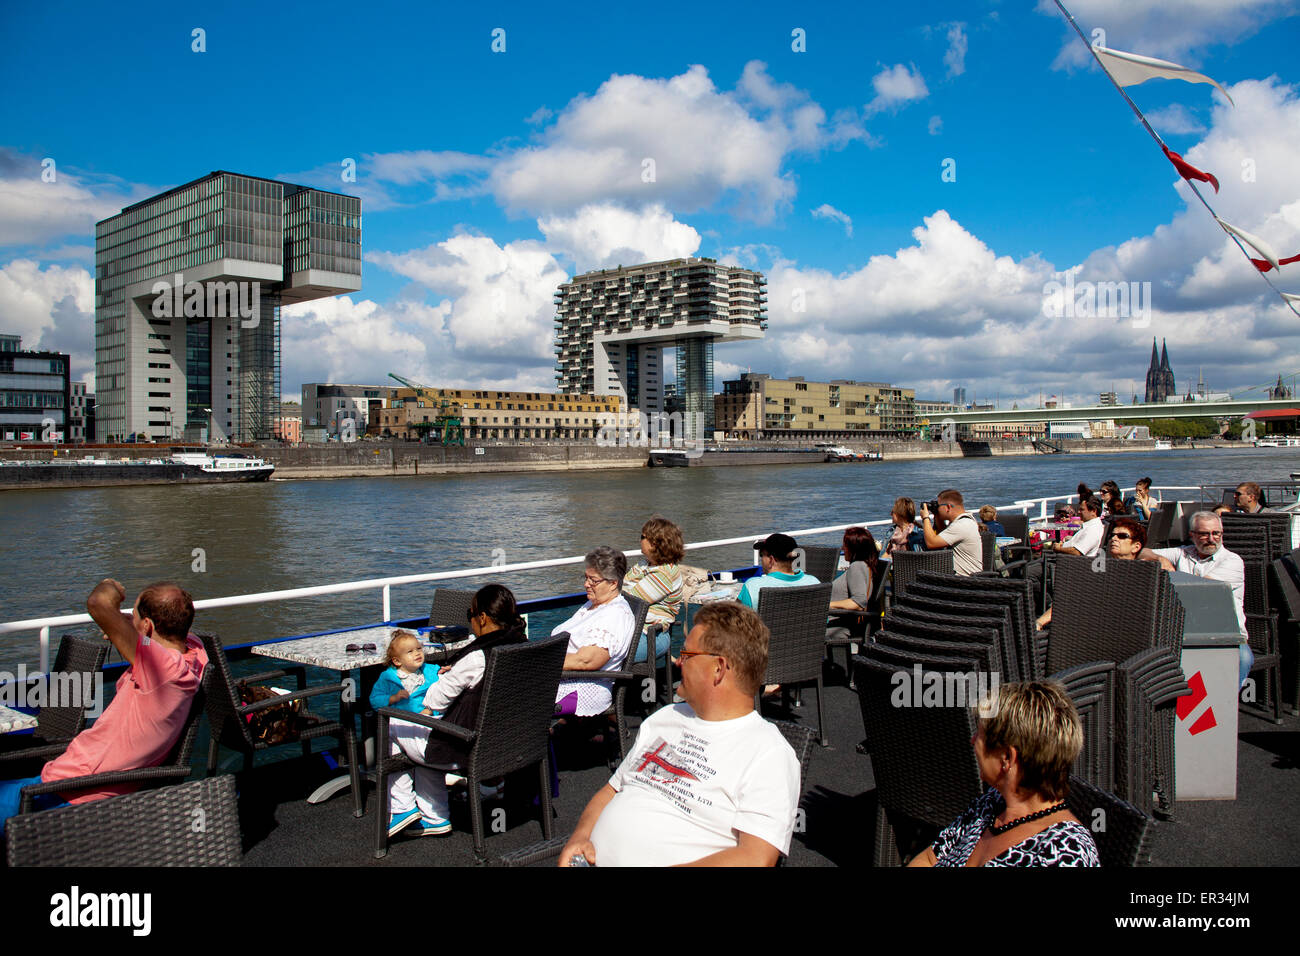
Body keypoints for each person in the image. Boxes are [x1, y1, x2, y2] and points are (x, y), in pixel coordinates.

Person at [558, 601, 800, 866]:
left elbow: (755, 858)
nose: (678, 661)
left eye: (686, 654)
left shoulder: (768, 752)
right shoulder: (665, 717)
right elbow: (612, 789)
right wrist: (580, 837)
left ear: (718, 668)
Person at [0, 579, 207, 830]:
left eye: (133, 615)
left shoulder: (163, 668)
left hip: (69, 791)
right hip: (93, 782)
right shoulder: (194, 653)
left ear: (148, 626)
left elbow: (98, 603)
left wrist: (112, 588)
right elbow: (168, 628)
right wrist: (126, 630)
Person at [384, 584, 528, 837]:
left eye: (469, 615)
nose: (470, 621)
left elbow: (434, 701)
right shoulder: (524, 645)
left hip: (468, 748)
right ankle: (434, 816)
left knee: (394, 722)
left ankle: (403, 808)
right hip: (511, 742)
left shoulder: (476, 658)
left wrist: (441, 678)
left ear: (482, 617)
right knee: (426, 728)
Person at [908, 681, 1099, 867]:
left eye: (980, 735)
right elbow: (930, 859)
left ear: (1007, 757)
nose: (972, 740)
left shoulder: (1064, 852)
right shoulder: (990, 805)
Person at [1141, 511, 1251, 686]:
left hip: (1226, 634)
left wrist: (1171, 573)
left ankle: (1225, 706)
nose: (1211, 539)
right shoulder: (1184, 553)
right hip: (1185, 632)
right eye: (1204, 534)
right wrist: (1160, 559)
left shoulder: (1232, 561)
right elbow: (1142, 551)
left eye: (1216, 533)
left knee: (1243, 659)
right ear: (1192, 535)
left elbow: (1203, 592)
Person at [553, 546, 636, 716]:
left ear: (613, 583)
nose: (586, 584)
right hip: (561, 677)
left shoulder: (615, 614)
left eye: (593, 580)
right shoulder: (594, 604)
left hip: (582, 688)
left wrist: (539, 663)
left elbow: (587, 661)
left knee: (508, 697)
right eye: (586, 578)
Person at [1037, 517, 1146, 629]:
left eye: (1122, 536)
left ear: (1136, 547)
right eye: (1112, 536)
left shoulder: (1141, 579)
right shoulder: (1099, 572)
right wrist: (1039, 623)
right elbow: (1068, 601)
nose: (1114, 539)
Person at [625, 516, 685, 666]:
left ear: (654, 543)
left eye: (642, 536)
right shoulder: (645, 564)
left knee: (598, 651)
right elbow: (623, 588)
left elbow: (629, 600)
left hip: (649, 637)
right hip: (633, 631)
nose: (640, 539)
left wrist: (620, 588)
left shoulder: (664, 574)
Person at [738, 533, 820, 609]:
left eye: (762, 555)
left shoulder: (753, 586)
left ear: (771, 560)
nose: (761, 559)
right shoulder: (814, 583)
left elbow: (733, 620)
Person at [369, 630, 441, 714]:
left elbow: (441, 697)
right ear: (397, 661)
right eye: (410, 651)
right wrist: (393, 698)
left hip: (427, 720)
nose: (417, 653)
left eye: (418, 648)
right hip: (399, 721)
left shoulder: (431, 673)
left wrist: (431, 712)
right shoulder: (388, 677)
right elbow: (374, 701)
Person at [827, 527, 879, 643]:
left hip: (837, 625)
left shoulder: (857, 567)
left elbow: (858, 602)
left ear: (854, 549)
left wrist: (828, 605)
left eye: (845, 546)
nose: (842, 548)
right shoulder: (864, 566)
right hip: (836, 620)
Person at [920, 489, 982, 576]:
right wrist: (937, 516)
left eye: (938, 506)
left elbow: (931, 543)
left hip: (964, 580)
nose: (937, 508)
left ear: (948, 507)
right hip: (962, 577)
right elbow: (942, 535)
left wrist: (925, 518)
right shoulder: (963, 521)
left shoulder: (962, 525)